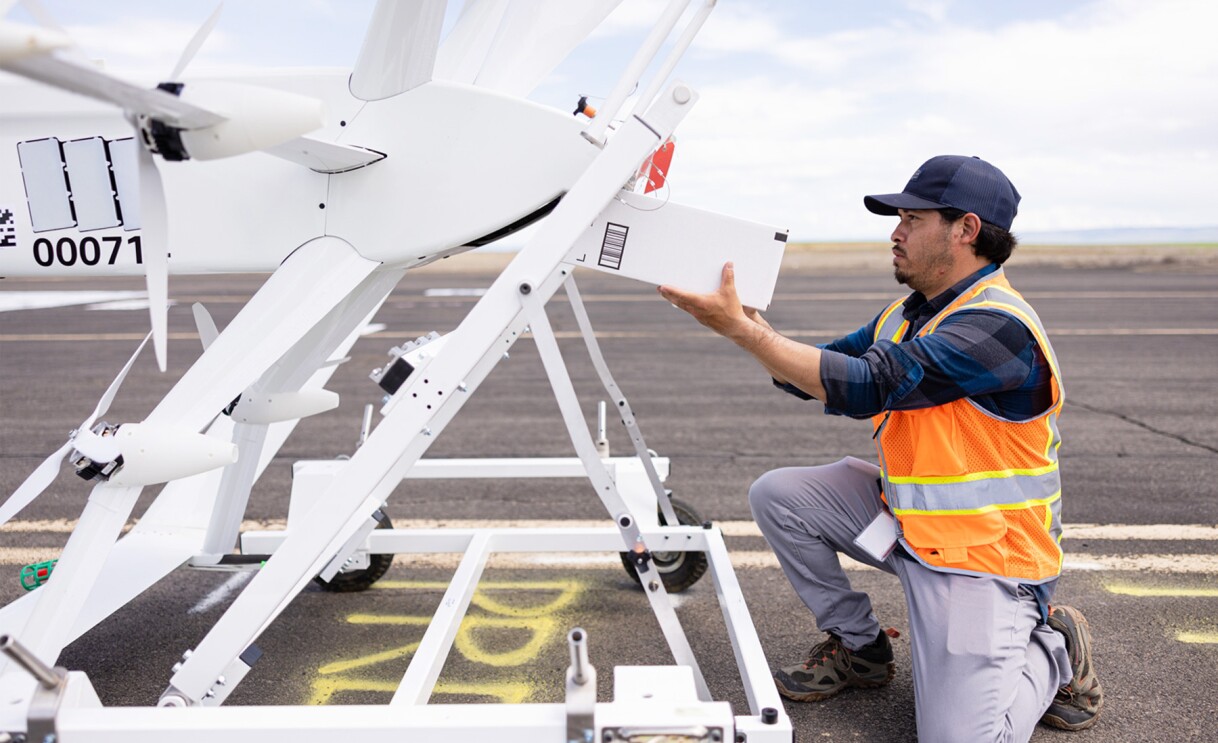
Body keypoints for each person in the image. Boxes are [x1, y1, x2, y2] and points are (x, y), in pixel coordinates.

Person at [658, 155, 1104, 741]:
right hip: (910, 530)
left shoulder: (997, 327)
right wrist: (751, 326)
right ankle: (861, 648)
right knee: (780, 496)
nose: (894, 232)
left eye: (911, 219)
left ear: (965, 230)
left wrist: (743, 331)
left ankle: (1052, 645)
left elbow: (870, 385)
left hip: (984, 564)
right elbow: (816, 372)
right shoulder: (907, 314)